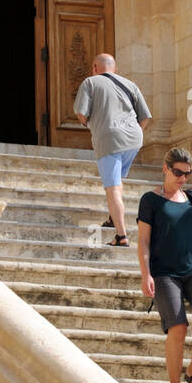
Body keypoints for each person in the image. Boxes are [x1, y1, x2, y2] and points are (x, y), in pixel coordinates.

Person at [137, 147, 192, 383]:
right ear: (165, 168)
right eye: (177, 172)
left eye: (187, 173)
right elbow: (143, 241)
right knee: (178, 327)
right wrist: (145, 273)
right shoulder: (150, 200)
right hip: (164, 274)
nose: (182, 178)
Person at [74, 53, 151, 247]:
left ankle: (121, 235)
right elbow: (146, 117)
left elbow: (81, 113)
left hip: (109, 139)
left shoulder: (90, 82)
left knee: (113, 187)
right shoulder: (130, 84)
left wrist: (92, 123)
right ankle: (112, 217)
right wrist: (132, 132)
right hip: (134, 138)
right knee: (117, 180)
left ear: (94, 67)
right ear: (114, 68)